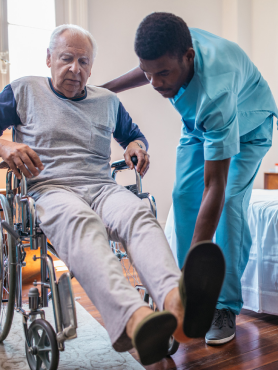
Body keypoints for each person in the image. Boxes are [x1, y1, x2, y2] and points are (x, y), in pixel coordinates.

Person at [0, 24, 225, 365]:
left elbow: (134, 136)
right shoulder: (23, 90)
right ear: (48, 59)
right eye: (66, 58)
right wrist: (6, 145)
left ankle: (177, 304)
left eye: (83, 62)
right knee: (82, 222)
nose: (75, 68)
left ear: (92, 68)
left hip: (102, 187)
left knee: (139, 213)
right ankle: (135, 320)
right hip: (51, 188)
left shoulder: (107, 101)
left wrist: (137, 146)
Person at [102, 12, 278, 345]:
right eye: (148, 73)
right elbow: (151, 68)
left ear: (189, 58)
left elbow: (215, 185)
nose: (155, 83)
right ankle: (181, 299)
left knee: (228, 203)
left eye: (163, 74)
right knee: (184, 198)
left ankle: (222, 305)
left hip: (248, 127)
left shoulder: (215, 90)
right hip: (201, 126)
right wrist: (105, 90)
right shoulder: (174, 41)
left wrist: (199, 266)